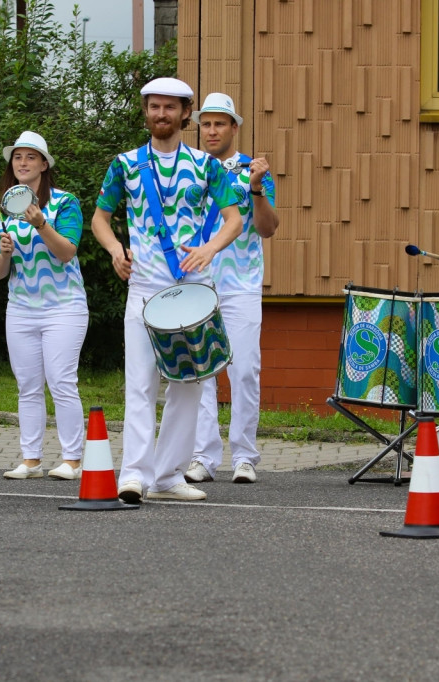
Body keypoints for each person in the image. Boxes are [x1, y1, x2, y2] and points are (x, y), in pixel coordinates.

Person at [91, 77, 243, 503]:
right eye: (154, 107)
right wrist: (114, 248)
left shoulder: (207, 165)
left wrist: (210, 248)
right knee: (140, 383)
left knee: (189, 384)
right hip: (144, 287)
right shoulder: (124, 164)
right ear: (145, 112)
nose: (161, 115)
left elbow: (233, 218)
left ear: (186, 113)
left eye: (170, 108)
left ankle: (169, 476)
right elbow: (100, 219)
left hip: (193, 288)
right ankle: (134, 475)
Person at [184, 93, 279, 485]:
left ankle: (243, 456)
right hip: (197, 284)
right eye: (206, 124)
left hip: (241, 285)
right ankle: (203, 457)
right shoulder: (188, 169)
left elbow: (269, 228)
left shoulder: (252, 171)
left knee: (243, 371)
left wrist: (256, 189)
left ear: (234, 128)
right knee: (202, 374)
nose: (211, 131)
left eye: (219, 123)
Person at [0, 131, 88, 481]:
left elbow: (67, 252)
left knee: (61, 381)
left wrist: (41, 224)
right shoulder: (2, 209)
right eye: (18, 157)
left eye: (31, 157)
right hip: (21, 308)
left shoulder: (65, 202)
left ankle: (72, 459)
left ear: (44, 165)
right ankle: (31, 460)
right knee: (27, 385)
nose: (23, 163)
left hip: (64, 306)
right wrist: (3, 254)